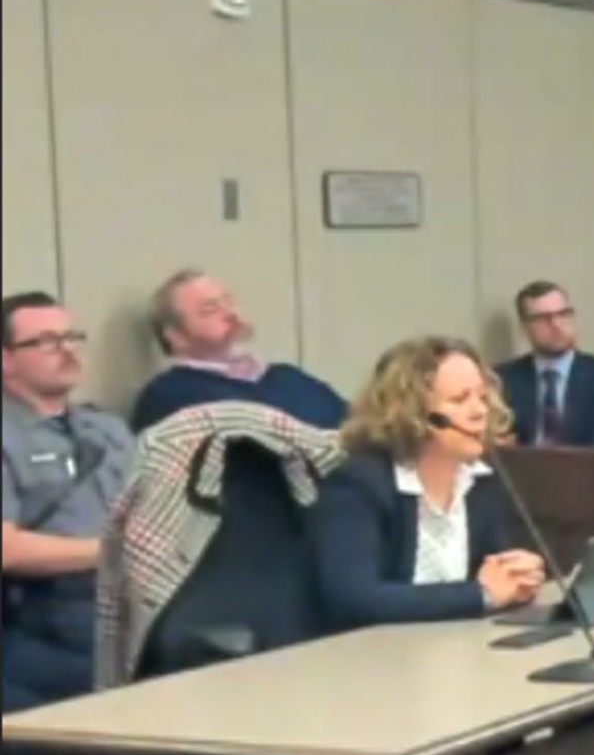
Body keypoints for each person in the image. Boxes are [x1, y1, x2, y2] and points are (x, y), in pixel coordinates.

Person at [311, 336, 544, 629]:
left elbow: (493, 577)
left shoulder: (479, 480)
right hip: (372, 659)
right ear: (414, 413)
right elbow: (353, 598)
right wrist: (479, 594)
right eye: (460, 400)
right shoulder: (358, 484)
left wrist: (516, 578)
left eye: (482, 397)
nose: (480, 412)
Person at [2, 292, 135, 710]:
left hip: (138, 594)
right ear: (6, 360)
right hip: (50, 608)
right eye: (45, 341)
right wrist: (113, 551)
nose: (66, 351)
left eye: (72, 337)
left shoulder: (107, 429)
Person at [132, 268, 347, 433]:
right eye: (210, 310)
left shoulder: (287, 376)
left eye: (229, 301)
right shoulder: (170, 395)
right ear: (176, 336)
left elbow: (356, 426)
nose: (230, 313)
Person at [496, 281, 594, 448]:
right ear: (524, 327)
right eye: (543, 318)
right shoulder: (503, 380)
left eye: (563, 314)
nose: (556, 325)